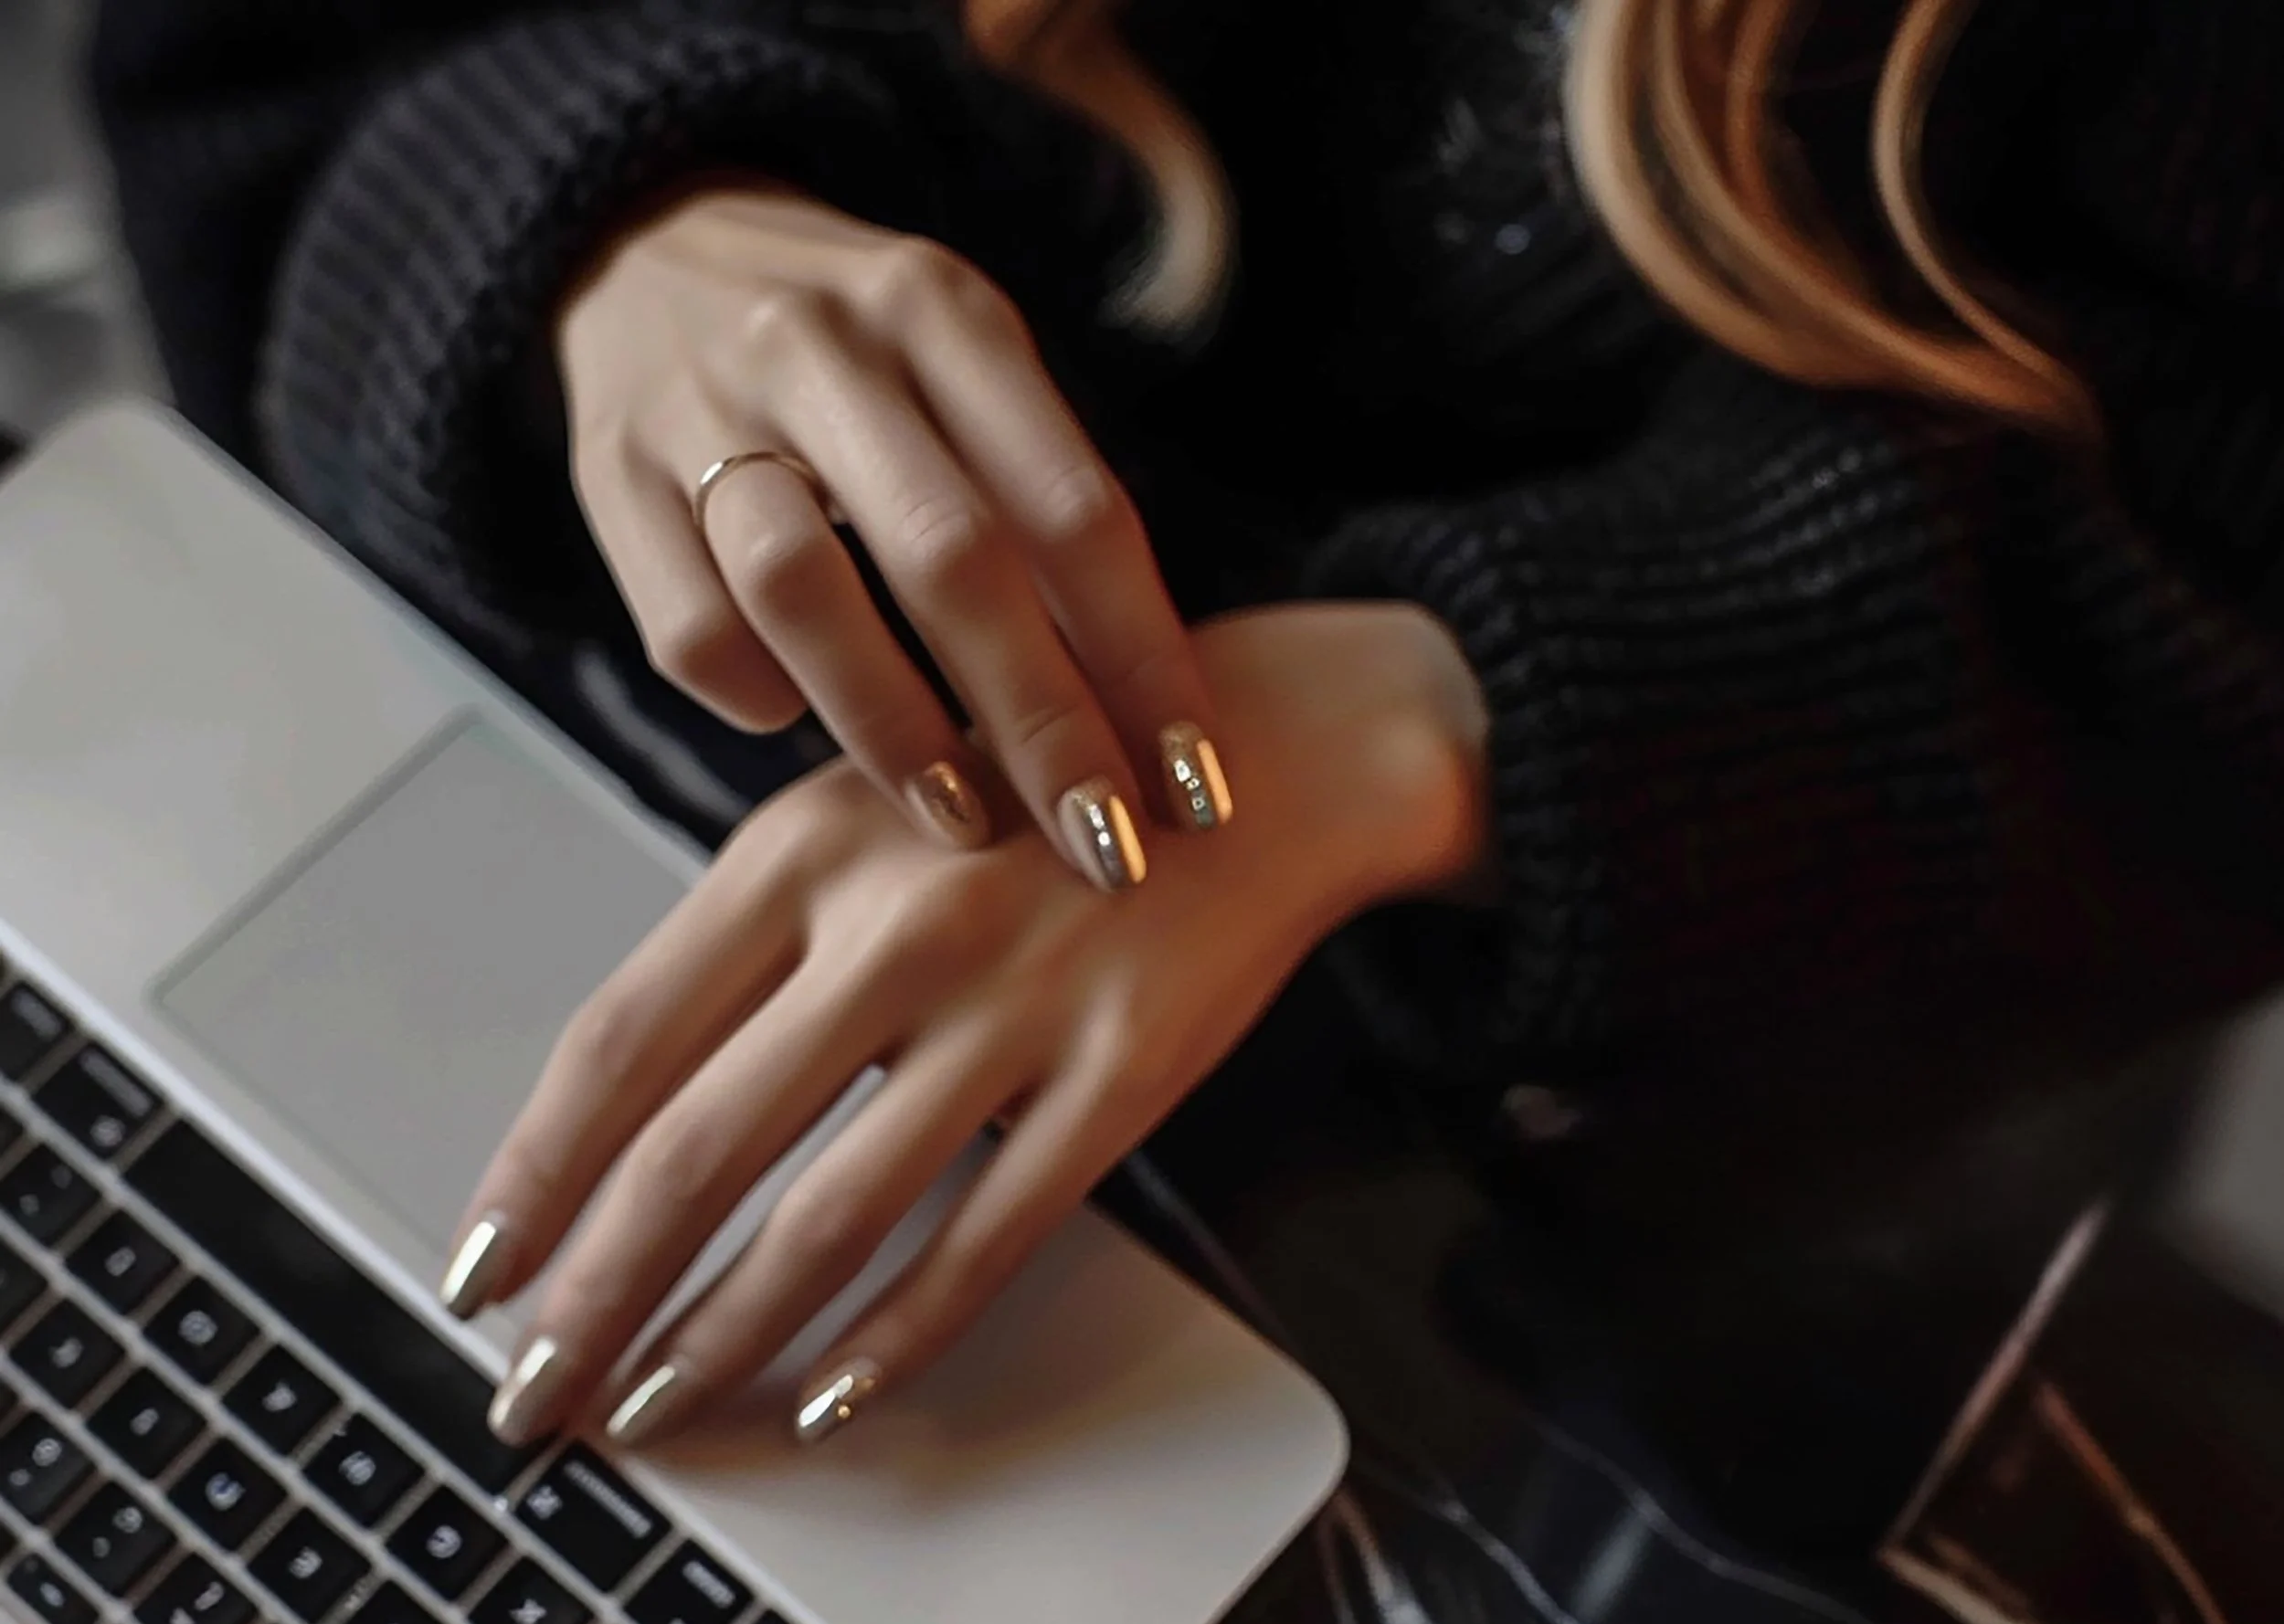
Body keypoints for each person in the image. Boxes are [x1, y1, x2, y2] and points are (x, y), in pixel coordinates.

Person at [88, 0, 2284, 1450]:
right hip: (489, 782)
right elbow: (253, 59)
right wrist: (601, 227)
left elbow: (2223, 663)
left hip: (1625, 1129)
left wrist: (1468, 704)